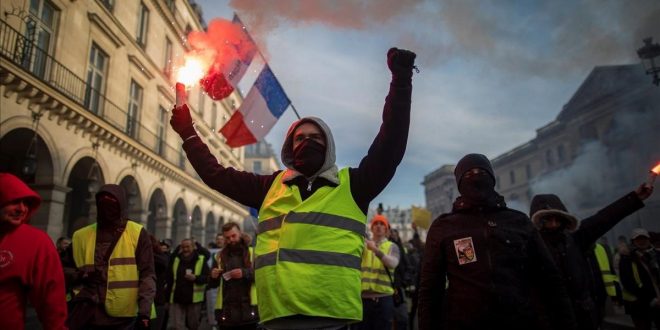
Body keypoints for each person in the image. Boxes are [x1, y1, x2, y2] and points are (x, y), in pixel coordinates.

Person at [170, 47, 416, 329]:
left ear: (329, 147)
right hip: (277, 316)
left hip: (334, 318)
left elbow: (391, 143)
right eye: (300, 138)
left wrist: (401, 79)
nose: (307, 142)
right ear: (290, 147)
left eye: (315, 137)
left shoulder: (354, 186)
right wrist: (188, 132)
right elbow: (215, 174)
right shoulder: (269, 186)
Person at [418, 154, 577, 330]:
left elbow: (550, 279)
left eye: (481, 172)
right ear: (459, 182)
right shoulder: (444, 227)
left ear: (492, 178)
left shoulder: (519, 221)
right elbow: (430, 290)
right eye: (469, 173)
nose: (476, 176)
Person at [529, 183, 653, 330]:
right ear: (537, 222)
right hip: (551, 322)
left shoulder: (575, 239)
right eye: (547, 220)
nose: (554, 224)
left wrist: (634, 198)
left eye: (557, 219)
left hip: (585, 319)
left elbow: (603, 218)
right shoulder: (529, 247)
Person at [64, 184, 156, 330]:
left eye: (112, 201)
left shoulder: (136, 233)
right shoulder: (80, 236)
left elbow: (147, 275)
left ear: (121, 205)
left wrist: (144, 313)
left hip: (122, 317)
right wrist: (81, 275)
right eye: (102, 201)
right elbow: (63, 270)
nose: (106, 206)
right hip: (85, 312)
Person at [0, 173, 68, 330]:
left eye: (25, 202)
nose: (22, 209)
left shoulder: (36, 242)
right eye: (14, 201)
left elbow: (52, 301)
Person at [208, 222, 258, 329]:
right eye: (227, 237)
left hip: (249, 311)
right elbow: (212, 284)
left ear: (240, 233)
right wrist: (213, 276)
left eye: (233, 236)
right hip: (226, 313)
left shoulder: (253, 253)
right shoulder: (219, 256)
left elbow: (263, 276)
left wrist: (244, 273)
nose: (231, 240)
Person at [355, 214, 400, 330]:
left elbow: (393, 263)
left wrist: (375, 250)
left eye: (382, 224)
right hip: (363, 300)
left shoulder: (392, 246)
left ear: (386, 229)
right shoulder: (363, 247)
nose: (378, 226)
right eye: (375, 224)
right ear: (372, 228)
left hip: (384, 299)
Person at [618, 228, 660, 330]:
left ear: (649, 240)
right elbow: (628, 283)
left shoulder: (655, 255)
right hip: (639, 305)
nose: (642, 241)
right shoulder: (626, 259)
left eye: (644, 238)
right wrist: (650, 299)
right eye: (638, 239)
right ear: (632, 242)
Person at [165, 238, 209, 330]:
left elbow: (207, 278)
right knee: (177, 326)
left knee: (193, 325)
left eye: (188, 247)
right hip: (177, 298)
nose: (185, 249)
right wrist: (167, 299)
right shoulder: (176, 259)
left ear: (193, 247)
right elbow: (169, 279)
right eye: (183, 247)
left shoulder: (201, 259)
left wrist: (196, 278)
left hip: (194, 299)